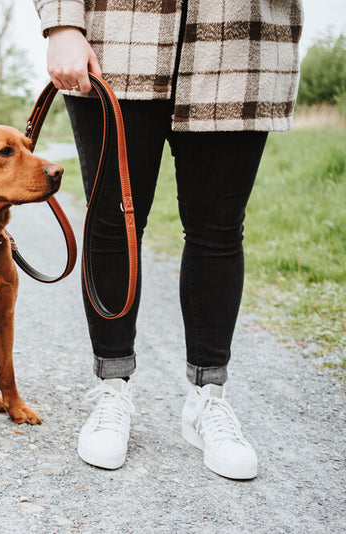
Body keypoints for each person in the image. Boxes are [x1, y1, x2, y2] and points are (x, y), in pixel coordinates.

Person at [31, 0, 302, 479]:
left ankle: (207, 401)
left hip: (242, 42)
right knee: (113, 223)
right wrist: (62, 23)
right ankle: (111, 391)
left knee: (218, 229)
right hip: (117, 36)